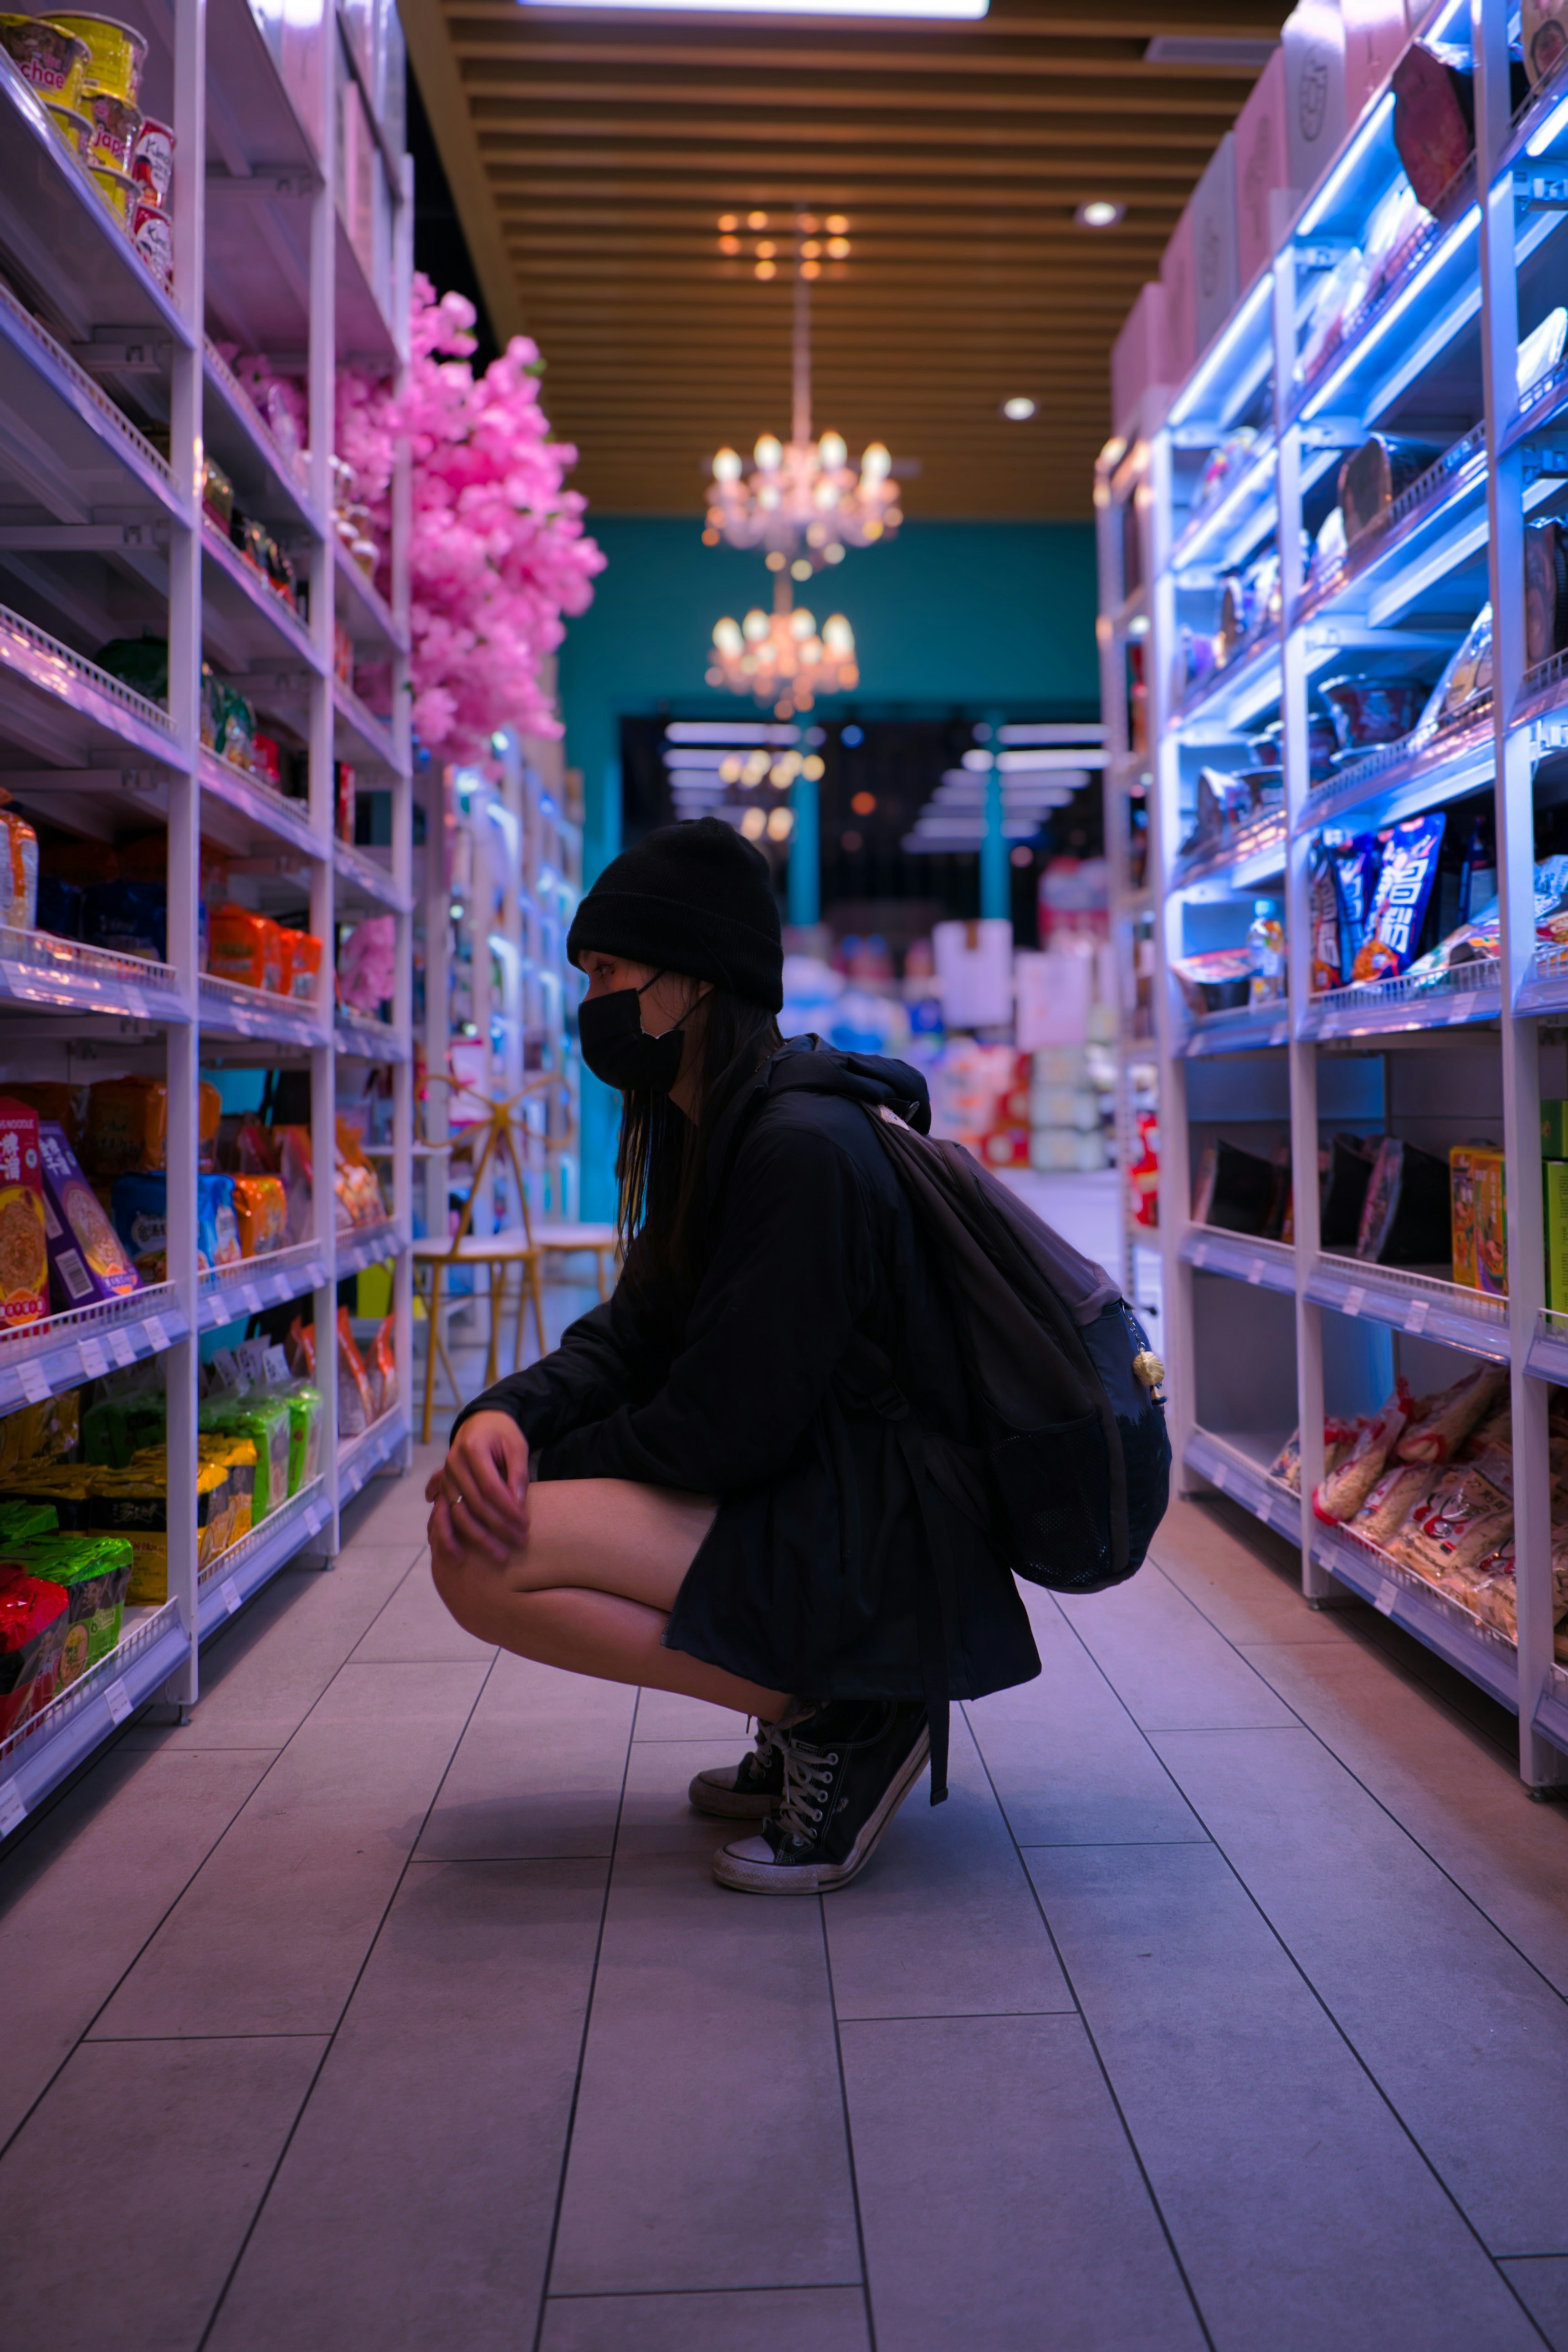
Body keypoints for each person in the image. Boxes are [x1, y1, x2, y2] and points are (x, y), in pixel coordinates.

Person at [426, 815, 1041, 1892]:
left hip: (881, 1546)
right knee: (482, 1524)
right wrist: (507, 1414)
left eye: (608, 972)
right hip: (826, 1499)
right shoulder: (718, 1123)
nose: (591, 1002)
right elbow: (634, 1331)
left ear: (696, 978)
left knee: (480, 1550)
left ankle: (850, 1709)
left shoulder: (798, 1149)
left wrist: (548, 1470)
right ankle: (808, 1698)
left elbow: (721, 1429)